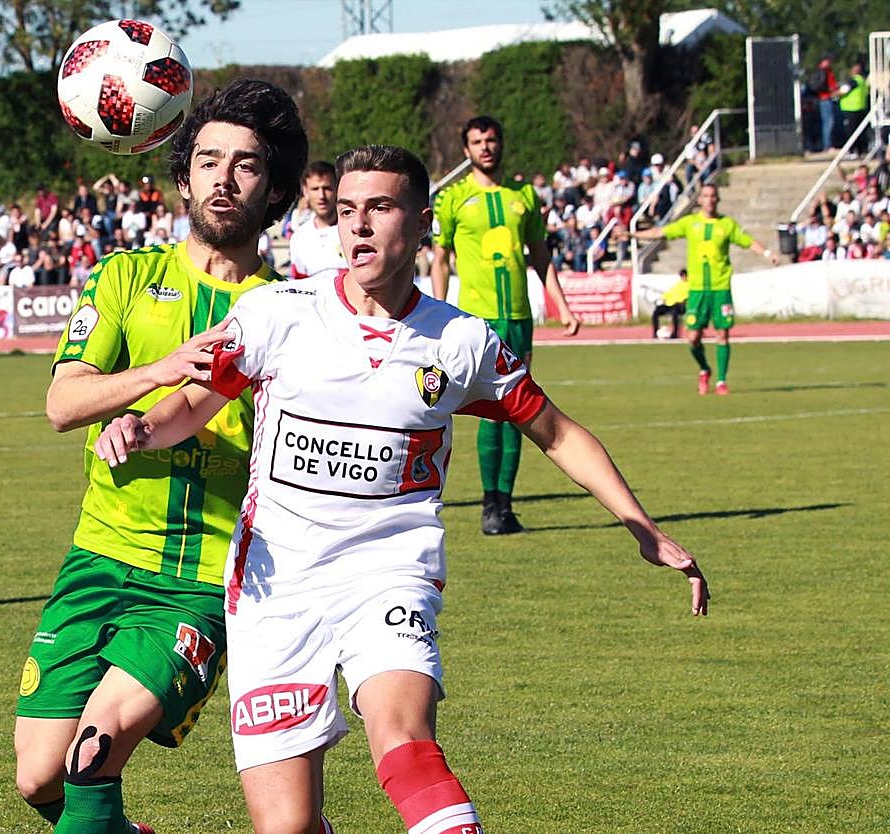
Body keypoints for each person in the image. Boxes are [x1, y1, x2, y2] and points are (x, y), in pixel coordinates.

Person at [93, 144, 709, 834]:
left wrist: (641, 525)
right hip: (273, 587)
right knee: (288, 826)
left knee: (405, 744)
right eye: (348, 210)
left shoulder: (461, 342)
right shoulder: (278, 312)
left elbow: (558, 433)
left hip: (389, 574)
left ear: (421, 224)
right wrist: (141, 426)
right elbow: (195, 403)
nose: (357, 226)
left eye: (379, 208)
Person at [12, 78, 308, 834]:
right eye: (208, 159)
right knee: (38, 778)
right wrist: (158, 373)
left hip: (200, 579)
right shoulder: (125, 277)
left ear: (273, 186)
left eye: (246, 163)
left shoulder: (289, 313)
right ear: (182, 175)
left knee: (91, 754)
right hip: (97, 557)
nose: (224, 177)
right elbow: (61, 405)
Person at [430, 115, 580, 536]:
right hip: (477, 320)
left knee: (519, 410)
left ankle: (503, 507)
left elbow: (541, 255)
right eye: (477, 141)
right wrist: (438, 314)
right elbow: (440, 259)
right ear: (466, 150)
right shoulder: (453, 199)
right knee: (488, 415)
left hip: (518, 318)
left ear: (501, 144)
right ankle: (488, 503)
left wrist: (562, 306)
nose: (486, 147)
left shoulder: (526, 197)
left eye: (492, 139)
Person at [631, 183, 777, 395]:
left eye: (713, 196)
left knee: (722, 334)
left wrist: (767, 254)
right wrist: (632, 235)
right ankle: (704, 368)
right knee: (692, 337)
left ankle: (721, 381)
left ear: (717, 199)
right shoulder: (690, 223)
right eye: (706, 196)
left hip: (720, 288)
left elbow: (748, 242)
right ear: (699, 200)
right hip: (697, 290)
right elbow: (661, 231)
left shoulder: (726, 225)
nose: (709, 199)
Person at [287, 160, 346, 281]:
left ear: (337, 189)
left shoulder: (354, 230)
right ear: (305, 191)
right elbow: (299, 283)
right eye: (315, 189)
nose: (321, 196)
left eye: (327, 188)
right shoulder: (299, 238)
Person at [652, 268, 688, 338]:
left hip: (680, 305)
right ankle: (655, 332)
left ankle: (675, 334)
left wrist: (683, 301)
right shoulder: (678, 284)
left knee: (675, 313)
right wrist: (664, 298)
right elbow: (669, 293)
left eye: (684, 275)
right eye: (682, 275)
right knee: (656, 311)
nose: (683, 277)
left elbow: (687, 297)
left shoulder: (689, 285)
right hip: (670, 304)